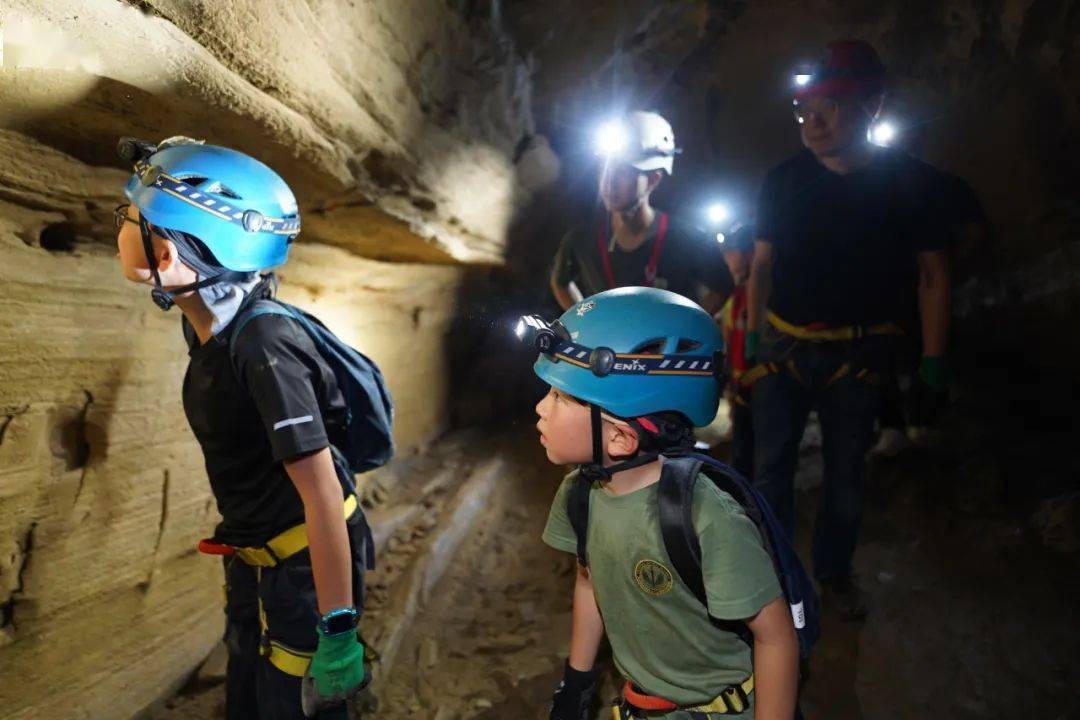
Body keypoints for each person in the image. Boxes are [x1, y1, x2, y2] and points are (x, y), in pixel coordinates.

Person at [113, 137, 370, 718]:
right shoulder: (207, 322)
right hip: (254, 555)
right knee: (248, 691)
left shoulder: (262, 344)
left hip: (304, 565)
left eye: (134, 217)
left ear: (177, 248)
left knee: (294, 703)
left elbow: (323, 496)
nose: (123, 224)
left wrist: (338, 629)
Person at [746, 40, 951, 620]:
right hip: (783, 348)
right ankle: (769, 581)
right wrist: (752, 345)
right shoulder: (784, 180)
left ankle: (833, 574)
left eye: (832, 104)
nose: (813, 119)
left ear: (873, 106)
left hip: (858, 354)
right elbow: (761, 266)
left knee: (845, 476)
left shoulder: (909, 184)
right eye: (805, 106)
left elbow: (933, 275)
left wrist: (935, 360)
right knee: (770, 471)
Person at [526, 288, 799, 720]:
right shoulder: (580, 495)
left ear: (620, 437)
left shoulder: (705, 516)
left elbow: (776, 637)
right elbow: (588, 580)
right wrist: (578, 681)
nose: (541, 408)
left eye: (561, 397)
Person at [550, 111, 729, 313]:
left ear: (653, 179)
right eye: (604, 169)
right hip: (606, 345)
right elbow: (560, 283)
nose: (609, 182)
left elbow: (722, 286)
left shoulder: (688, 240)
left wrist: (684, 330)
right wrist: (584, 321)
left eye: (623, 172)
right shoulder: (581, 240)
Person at [718, 222, 757, 479]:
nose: (725, 260)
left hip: (763, 393)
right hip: (742, 393)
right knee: (742, 455)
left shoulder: (763, 297)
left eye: (729, 253)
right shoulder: (736, 299)